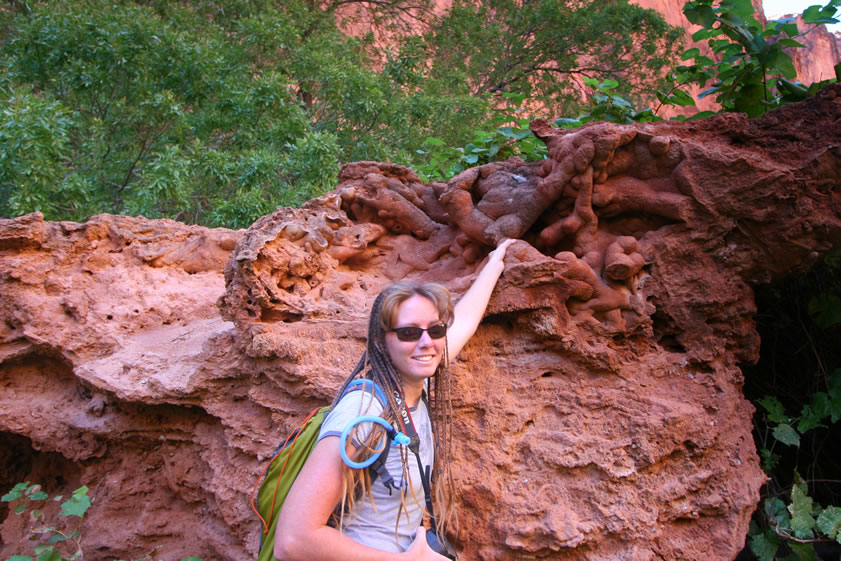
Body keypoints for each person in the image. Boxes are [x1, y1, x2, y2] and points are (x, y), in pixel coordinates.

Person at [273, 238, 516, 561]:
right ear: (380, 340)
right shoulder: (364, 415)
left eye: (435, 330)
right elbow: (293, 541)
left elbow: (466, 322)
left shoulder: (416, 385)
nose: (426, 343)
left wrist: (497, 261)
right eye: (408, 333)